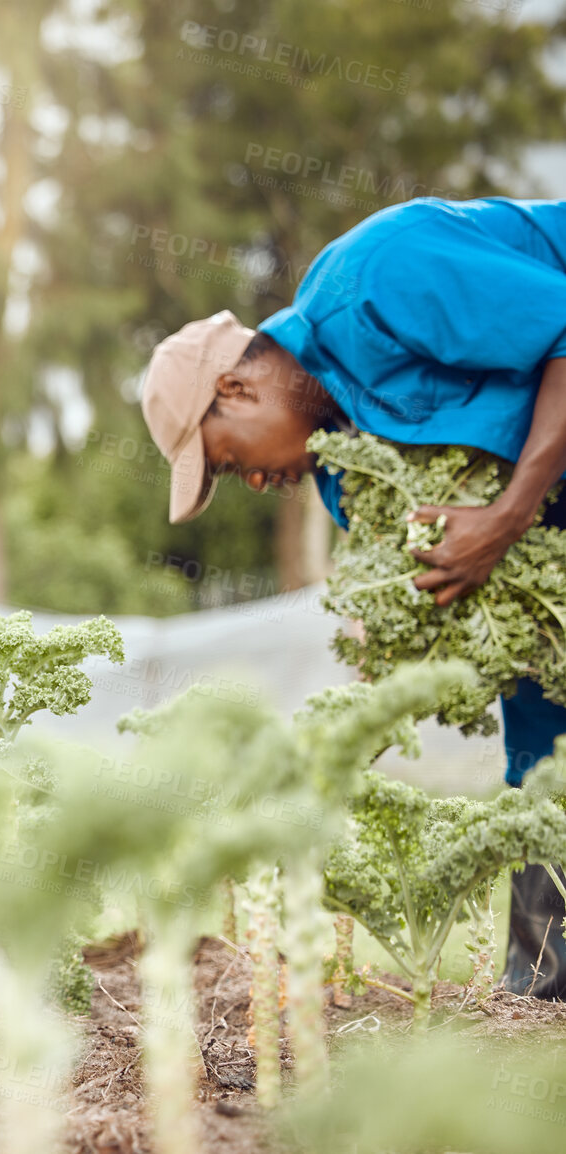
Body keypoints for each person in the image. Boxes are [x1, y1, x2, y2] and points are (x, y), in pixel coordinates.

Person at [138, 196, 566, 996]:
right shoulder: (343, 476)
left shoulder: (376, 278)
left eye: (230, 462)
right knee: (545, 754)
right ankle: (541, 990)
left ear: (233, 388)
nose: (259, 483)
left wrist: (505, 517)